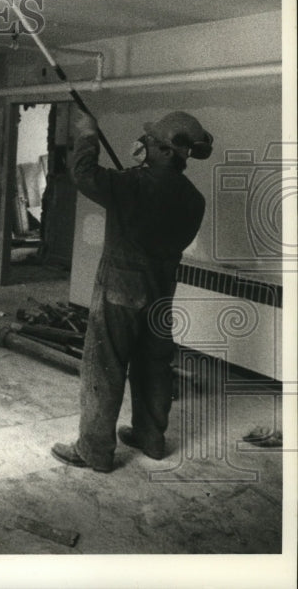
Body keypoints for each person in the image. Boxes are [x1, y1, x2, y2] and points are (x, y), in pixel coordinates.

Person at [51, 108, 213, 472]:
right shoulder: (194, 199)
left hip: (120, 289)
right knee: (153, 365)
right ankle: (151, 438)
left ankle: (94, 451)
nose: (144, 144)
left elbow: (83, 174)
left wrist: (88, 135)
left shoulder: (131, 185)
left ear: (169, 151)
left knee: (103, 366)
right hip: (160, 293)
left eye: (152, 142)